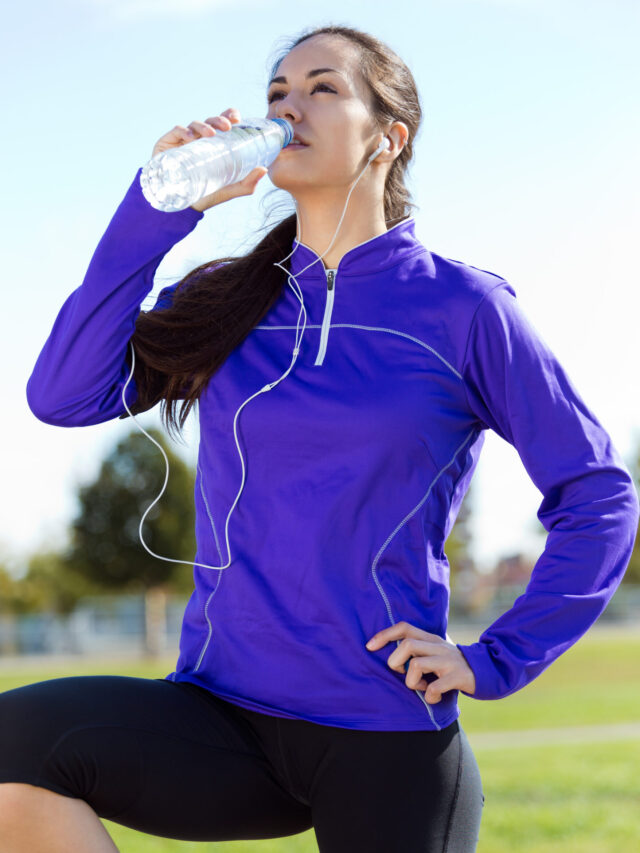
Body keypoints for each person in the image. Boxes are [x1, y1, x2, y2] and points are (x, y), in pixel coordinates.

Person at [1, 23, 638, 853]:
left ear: (388, 137)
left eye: (322, 88)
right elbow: (63, 393)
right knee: (15, 748)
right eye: (277, 93)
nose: (288, 107)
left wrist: (497, 656)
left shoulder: (463, 310)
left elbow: (596, 493)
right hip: (222, 714)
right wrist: (157, 211)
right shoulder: (223, 301)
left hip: (380, 731)